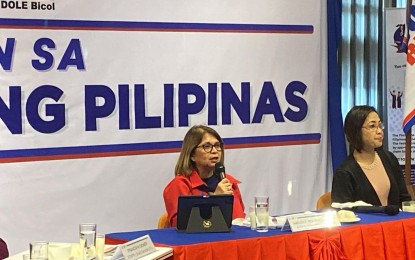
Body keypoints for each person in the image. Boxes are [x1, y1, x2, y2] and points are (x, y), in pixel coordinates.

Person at [163, 125, 245, 227]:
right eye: (207, 146)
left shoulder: (228, 182)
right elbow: (181, 225)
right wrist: (215, 199)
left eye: (217, 145)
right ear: (192, 155)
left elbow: (240, 219)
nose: (215, 151)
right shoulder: (179, 185)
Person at [331, 105, 411, 206]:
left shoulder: (389, 158)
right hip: (367, 222)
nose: (379, 131)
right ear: (356, 131)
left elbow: (404, 199)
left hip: (396, 221)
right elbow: (342, 213)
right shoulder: (344, 173)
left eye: (380, 125)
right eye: (372, 126)